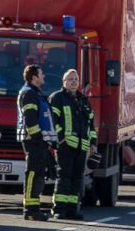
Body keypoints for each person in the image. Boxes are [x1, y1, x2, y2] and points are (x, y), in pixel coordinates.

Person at [49, 69, 96, 221]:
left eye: (76, 79)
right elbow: (52, 121)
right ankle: (59, 210)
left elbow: (91, 124)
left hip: (82, 146)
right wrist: (60, 139)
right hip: (65, 146)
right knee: (64, 177)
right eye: (70, 79)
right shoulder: (57, 98)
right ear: (64, 82)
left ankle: (72, 209)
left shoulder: (83, 100)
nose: (74, 81)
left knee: (77, 179)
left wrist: (93, 143)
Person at [17, 64, 58, 221]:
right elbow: (30, 121)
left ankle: (34, 208)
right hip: (33, 141)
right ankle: (30, 209)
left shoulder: (35, 93)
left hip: (39, 141)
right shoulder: (29, 94)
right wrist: (40, 139)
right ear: (34, 77)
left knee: (39, 174)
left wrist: (48, 141)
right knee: (33, 174)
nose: (44, 77)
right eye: (41, 74)